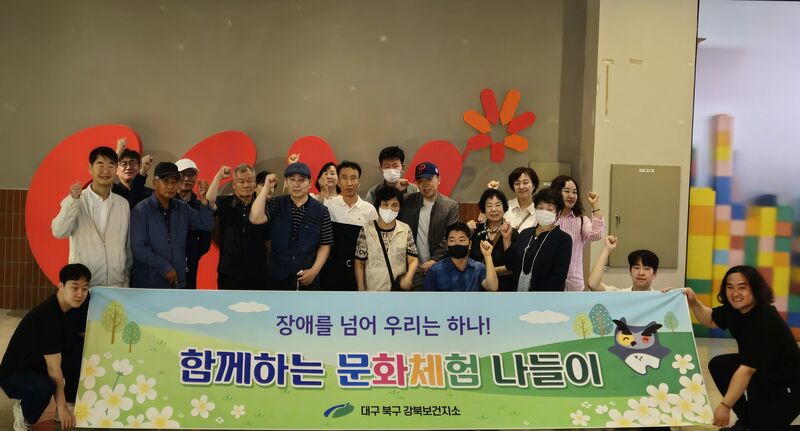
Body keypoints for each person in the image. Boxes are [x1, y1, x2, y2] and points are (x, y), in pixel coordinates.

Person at [680, 266, 800, 430]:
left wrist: (725, 405)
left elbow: (746, 370)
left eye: (742, 287)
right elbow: (711, 319)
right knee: (720, 365)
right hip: (763, 373)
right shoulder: (736, 309)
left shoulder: (765, 321)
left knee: (762, 427)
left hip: (789, 386)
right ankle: (747, 421)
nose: (735, 293)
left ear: (755, 289)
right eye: (730, 287)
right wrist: (694, 302)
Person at [0, 263, 91, 431]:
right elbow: (54, 370)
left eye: (85, 289)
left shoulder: (75, 306)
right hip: (15, 374)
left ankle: (68, 403)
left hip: (39, 367)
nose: (80, 294)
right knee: (46, 388)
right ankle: (24, 415)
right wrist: (61, 409)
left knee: (79, 349)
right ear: (61, 285)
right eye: (74, 288)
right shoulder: (47, 317)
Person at [51, 145, 131, 287]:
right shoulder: (77, 200)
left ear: (116, 169)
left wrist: (125, 280)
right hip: (84, 285)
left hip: (116, 284)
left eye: (111, 165)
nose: (105, 170)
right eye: (100, 165)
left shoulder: (122, 204)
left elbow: (126, 246)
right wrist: (73, 201)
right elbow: (58, 231)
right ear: (90, 168)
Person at [250, 162, 333, 290]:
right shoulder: (275, 204)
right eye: (292, 180)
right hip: (277, 278)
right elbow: (255, 218)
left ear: (310, 183)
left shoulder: (321, 211)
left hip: (307, 279)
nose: (296, 184)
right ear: (286, 182)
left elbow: (325, 245)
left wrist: (314, 271)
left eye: (301, 180)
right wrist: (266, 187)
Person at [130, 162, 214, 288]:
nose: (170, 186)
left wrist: (203, 199)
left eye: (174, 182)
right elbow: (138, 248)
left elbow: (206, 225)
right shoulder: (141, 210)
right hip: (149, 283)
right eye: (166, 181)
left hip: (177, 281)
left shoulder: (183, 208)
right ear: (154, 182)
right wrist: (165, 268)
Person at [206, 164, 272, 290]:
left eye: (250, 181)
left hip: (258, 273)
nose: (246, 185)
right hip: (229, 273)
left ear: (255, 183)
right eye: (241, 182)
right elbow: (209, 200)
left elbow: (268, 243)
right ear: (234, 185)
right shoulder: (224, 202)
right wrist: (219, 176)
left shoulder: (262, 206)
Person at [399, 161, 459, 288]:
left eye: (429, 179)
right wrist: (397, 190)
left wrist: (434, 260)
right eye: (420, 181)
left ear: (439, 179)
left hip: (441, 267)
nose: (424, 184)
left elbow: (449, 237)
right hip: (414, 269)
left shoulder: (450, 206)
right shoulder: (409, 202)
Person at [321, 161, 378, 291]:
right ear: (338, 182)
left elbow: (374, 245)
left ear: (359, 182)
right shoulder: (329, 206)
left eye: (353, 178)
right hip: (332, 271)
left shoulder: (369, 210)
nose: (349, 183)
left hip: (359, 272)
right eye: (344, 178)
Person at [502, 188, 571, 291]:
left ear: (558, 212)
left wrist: (538, 297)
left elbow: (558, 277)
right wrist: (506, 239)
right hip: (518, 294)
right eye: (540, 207)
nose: (544, 212)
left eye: (550, 209)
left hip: (545, 298)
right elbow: (510, 265)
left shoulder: (563, 240)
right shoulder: (525, 233)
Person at [354, 186, 418, 291]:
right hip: (373, 290)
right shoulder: (366, 230)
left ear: (399, 208)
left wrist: (409, 276)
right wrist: (361, 287)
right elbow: (359, 262)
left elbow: (413, 259)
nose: (389, 209)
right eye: (385, 204)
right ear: (378, 206)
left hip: (397, 291)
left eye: (394, 205)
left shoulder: (405, 229)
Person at [550, 175, 605, 291]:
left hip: (573, 282)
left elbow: (597, 234)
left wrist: (594, 205)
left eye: (574, 192)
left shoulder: (581, 221)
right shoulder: (547, 219)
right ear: (556, 192)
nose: (571, 196)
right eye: (567, 191)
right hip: (548, 280)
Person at [468, 188, 518, 291]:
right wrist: (467, 232)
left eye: (498, 205)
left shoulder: (512, 233)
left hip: (504, 288)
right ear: (483, 209)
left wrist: (507, 239)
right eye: (489, 206)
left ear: (504, 207)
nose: (494, 209)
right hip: (477, 287)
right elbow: (469, 260)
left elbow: (513, 266)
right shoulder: (477, 231)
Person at [424, 222, 498, 292]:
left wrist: (488, 255)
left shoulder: (478, 268)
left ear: (470, 244)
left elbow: (493, 288)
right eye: (452, 240)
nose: (457, 243)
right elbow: (427, 298)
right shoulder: (434, 270)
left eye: (461, 240)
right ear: (446, 245)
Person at [175, 158, 212, 289]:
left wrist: (192, 254)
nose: (186, 178)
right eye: (182, 174)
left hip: (190, 264)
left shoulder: (200, 204)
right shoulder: (166, 202)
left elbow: (206, 237)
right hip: (167, 264)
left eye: (191, 174)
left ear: (196, 177)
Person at [586, 235, 662, 292]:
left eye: (647, 268)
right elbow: (593, 284)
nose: (641, 273)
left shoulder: (660, 297)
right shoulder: (620, 295)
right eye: (636, 268)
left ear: (655, 273)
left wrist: (667, 296)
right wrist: (607, 249)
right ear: (630, 271)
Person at [112, 138, 153, 207]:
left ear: (139, 167)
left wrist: (143, 171)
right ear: (116, 169)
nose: (128, 167)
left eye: (132, 163)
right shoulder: (112, 192)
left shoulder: (150, 194)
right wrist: (118, 152)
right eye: (124, 164)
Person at [504, 167, 540, 233]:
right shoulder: (505, 206)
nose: (521, 187)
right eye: (517, 183)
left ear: (533, 185)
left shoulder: (539, 210)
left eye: (525, 183)